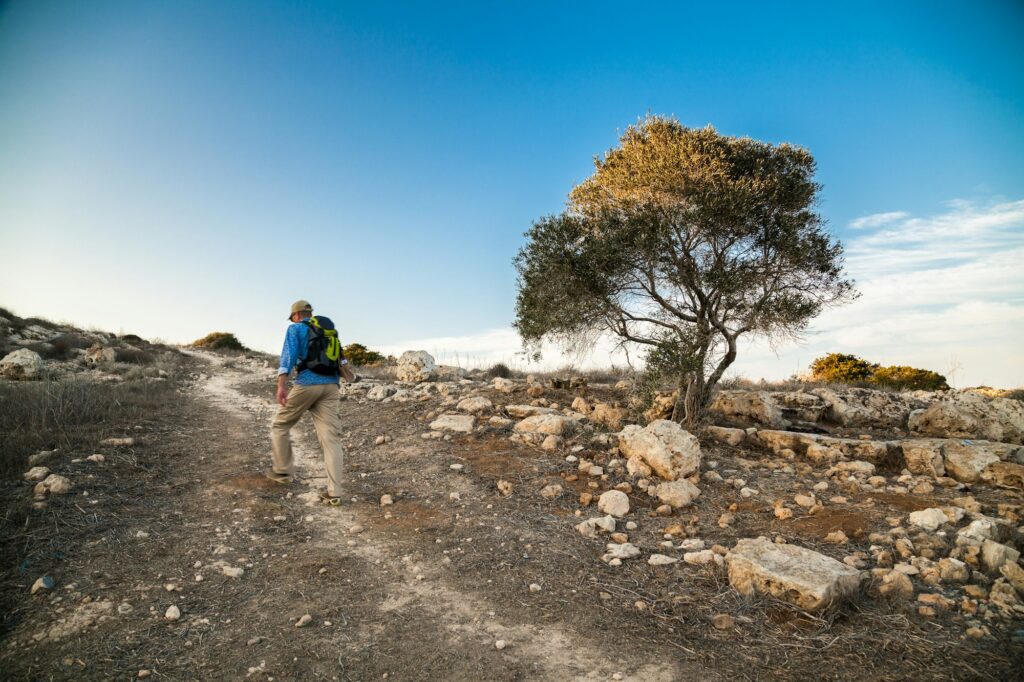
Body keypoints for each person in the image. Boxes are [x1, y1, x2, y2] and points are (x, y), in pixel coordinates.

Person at [268, 299, 356, 505]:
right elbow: (342, 360)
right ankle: (334, 494)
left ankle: (282, 472)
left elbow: (287, 358)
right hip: (331, 387)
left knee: (280, 424)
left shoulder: (295, 329)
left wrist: (281, 385)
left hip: (308, 384)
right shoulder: (328, 331)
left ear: (296, 315)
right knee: (331, 439)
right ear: (311, 314)